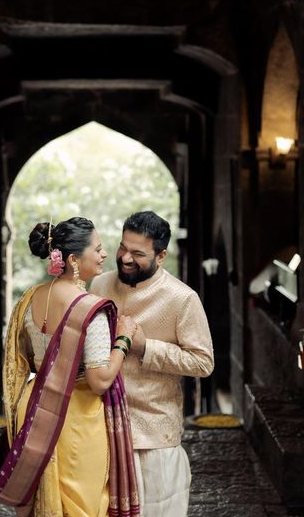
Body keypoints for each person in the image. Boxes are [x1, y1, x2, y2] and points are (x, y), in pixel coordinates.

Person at [0, 217, 140, 517]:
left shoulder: (29, 300)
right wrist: (124, 339)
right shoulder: (89, 309)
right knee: (82, 507)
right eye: (98, 248)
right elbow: (99, 381)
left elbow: (24, 357)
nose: (104, 255)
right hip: (77, 416)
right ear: (72, 259)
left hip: (35, 409)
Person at [90, 211, 214, 517]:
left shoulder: (182, 299)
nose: (125, 258)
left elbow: (203, 362)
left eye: (138, 253)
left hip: (155, 440)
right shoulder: (99, 286)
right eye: (123, 248)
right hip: (100, 431)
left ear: (161, 256)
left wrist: (147, 347)